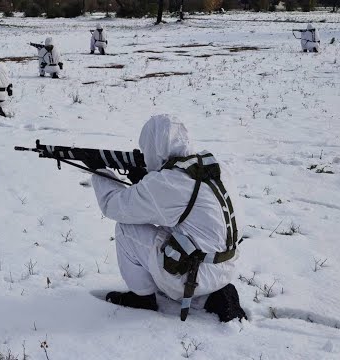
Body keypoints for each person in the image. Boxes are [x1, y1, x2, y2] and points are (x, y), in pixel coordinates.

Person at [88, 115, 247, 322]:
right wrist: (145, 181)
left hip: (195, 275)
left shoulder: (171, 182)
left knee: (126, 229)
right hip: (226, 267)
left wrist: (98, 170)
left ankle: (142, 298)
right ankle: (211, 296)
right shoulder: (214, 166)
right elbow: (180, 210)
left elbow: (114, 206)